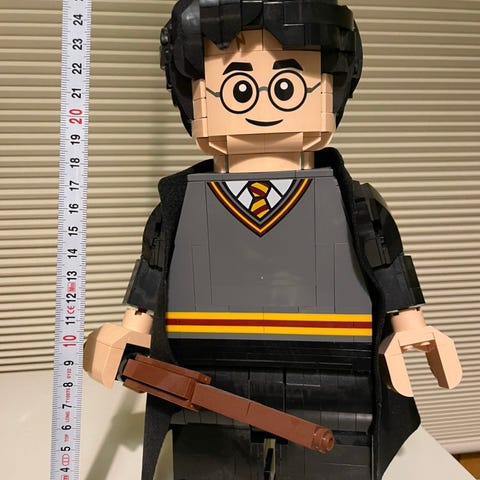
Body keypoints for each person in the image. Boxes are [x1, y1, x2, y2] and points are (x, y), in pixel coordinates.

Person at [84, 1, 462, 479]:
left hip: (333, 373)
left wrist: (409, 328)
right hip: (205, 377)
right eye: (239, 88)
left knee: (332, 460)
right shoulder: (178, 208)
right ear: (195, 95)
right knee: (210, 459)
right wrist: (132, 330)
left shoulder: (354, 205)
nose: (262, 102)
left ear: (330, 88)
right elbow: (155, 271)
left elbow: (384, 262)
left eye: (286, 86)